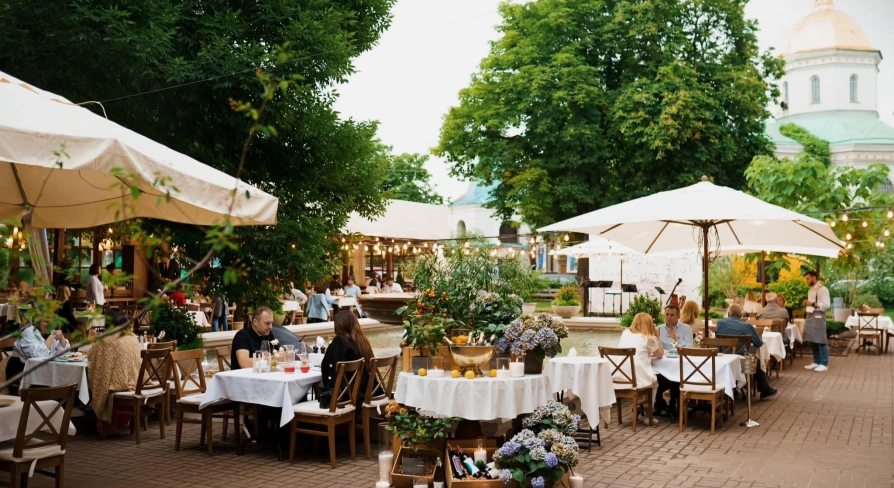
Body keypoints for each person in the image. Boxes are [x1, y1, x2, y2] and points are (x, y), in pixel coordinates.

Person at [87, 315, 141, 430]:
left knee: (99, 378)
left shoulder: (105, 340)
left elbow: (91, 357)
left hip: (118, 385)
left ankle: (81, 407)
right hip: (134, 380)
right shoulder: (132, 337)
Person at [715, 304, 777, 399]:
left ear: (728, 314)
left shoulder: (720, 323)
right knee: (757, 363)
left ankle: (733, 389)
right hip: (741, 362)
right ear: (741, 315)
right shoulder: (746, 326)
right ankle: (764, 390)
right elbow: (758, 343)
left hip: (723, 360)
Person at [320, 311, 374, 405]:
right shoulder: (362, 342)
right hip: (369, 393)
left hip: (348, 397)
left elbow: (330, 368)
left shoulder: (340, 341)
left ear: (339, 325)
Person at [6, 315, 71, 383]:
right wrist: (52, 337)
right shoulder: (28, 333)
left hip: (41, 372)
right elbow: (38, 355)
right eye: (46, 322)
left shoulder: (50, 332)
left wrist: (61, 337)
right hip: (21, 374)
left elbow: (64, 353)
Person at [654, 305, 692, 417]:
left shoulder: (686, 329)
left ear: (678, 316)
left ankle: (672, 405)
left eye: (672, 315)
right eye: (667, 314)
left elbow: (689, 348)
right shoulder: (659, 329)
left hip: (681, 367)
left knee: (677, 376)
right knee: (654, 377)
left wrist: (677, 339)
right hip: (662, 366)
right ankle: (660, 403)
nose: (669, 317)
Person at [803, 271, 830, 372]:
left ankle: (824, 363)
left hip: (818, 315)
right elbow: (812, 303)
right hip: (810, 315)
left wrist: (812, 304)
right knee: (813, 339)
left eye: (808, 279)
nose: (807, 281)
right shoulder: (810, 290)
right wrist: (807, 303)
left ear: (814, 278)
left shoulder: (822, 289)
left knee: (821, 340)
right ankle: (816, 361)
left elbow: (827, 305)